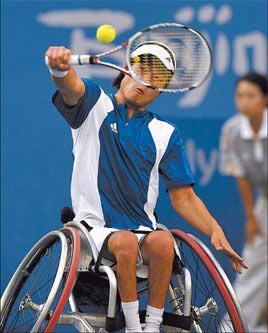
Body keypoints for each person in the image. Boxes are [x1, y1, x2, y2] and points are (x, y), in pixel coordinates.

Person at [46, 44, 247, 333]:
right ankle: (132, 327)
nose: (145, 83)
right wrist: (59, 69)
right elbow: (69, 86)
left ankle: (151, 327)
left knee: (164, 241)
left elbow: (184, 196)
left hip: (141, 233)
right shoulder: (93, 104)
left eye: (156, 80)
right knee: (125, 242)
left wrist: (214, 229)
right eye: (141, 70)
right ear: (126, 69)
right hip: (93, 230)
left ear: (160, 92)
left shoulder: (165, 134)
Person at [219, 72, 267, 332]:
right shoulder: (232, 130)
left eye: (251, 96)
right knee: (251, 265)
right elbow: (240, 174)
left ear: (264, 100)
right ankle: (234, 328)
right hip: (265, 205)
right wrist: (251, 217)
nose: (244, 102)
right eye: (239, 96)